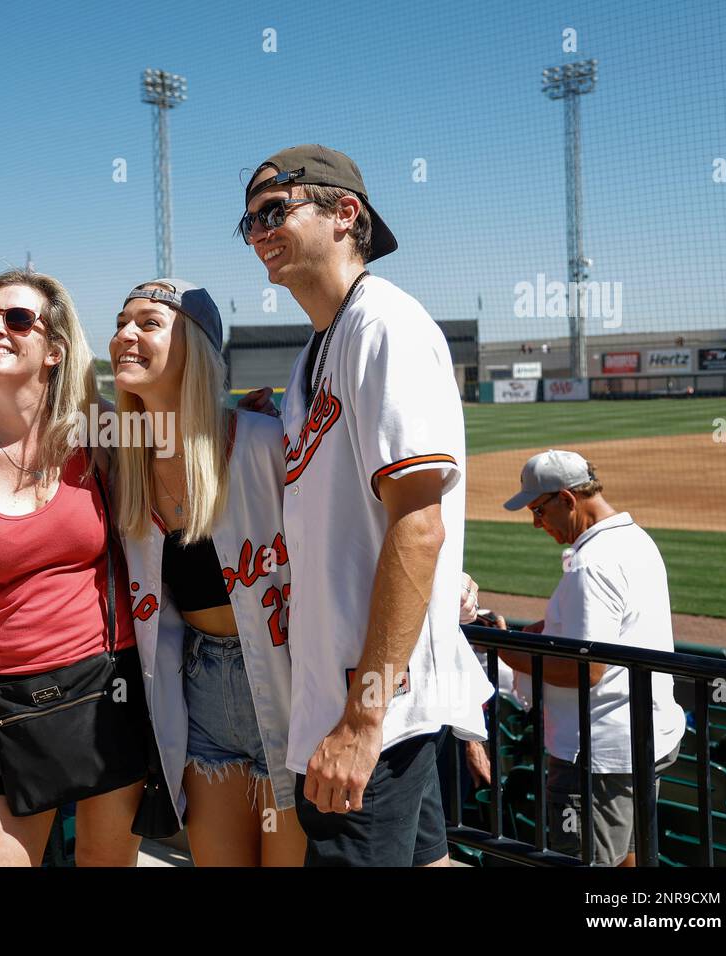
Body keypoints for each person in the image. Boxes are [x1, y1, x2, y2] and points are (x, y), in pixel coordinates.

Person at [241, 145, 492, 866]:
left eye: (274, 210)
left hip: (376, 709)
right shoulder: (316, 350)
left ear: (346, 214)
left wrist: (363, 717)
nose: (258, 232)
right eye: (249, 222)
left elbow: (419, 527)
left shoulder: (384, 327)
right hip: (359, 700)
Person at [0, 269, 151, 867]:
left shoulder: (97, 438)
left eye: (17, 320)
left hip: (109, 691)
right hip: (2, 707)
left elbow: (180, 454)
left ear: (55, 351)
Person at [109, 278, 305, 866]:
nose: (124, 335)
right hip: (199, 693)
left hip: (291, 684)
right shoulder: (124, 463)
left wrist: (454, 584)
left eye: (148, 323)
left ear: (194, 345)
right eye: (121, 322)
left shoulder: (265, 442)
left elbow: (354, 530)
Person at [498, 450, 685, 866]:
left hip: (596, 753)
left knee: (584, 862)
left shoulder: (591, 563)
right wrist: (549, 634)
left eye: (538, 510)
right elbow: (615, 633)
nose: (536, 523)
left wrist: (510, 651)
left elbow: (588, 669)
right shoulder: (635, 539)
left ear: (567, 498)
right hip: (642, 738)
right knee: (630, 855)